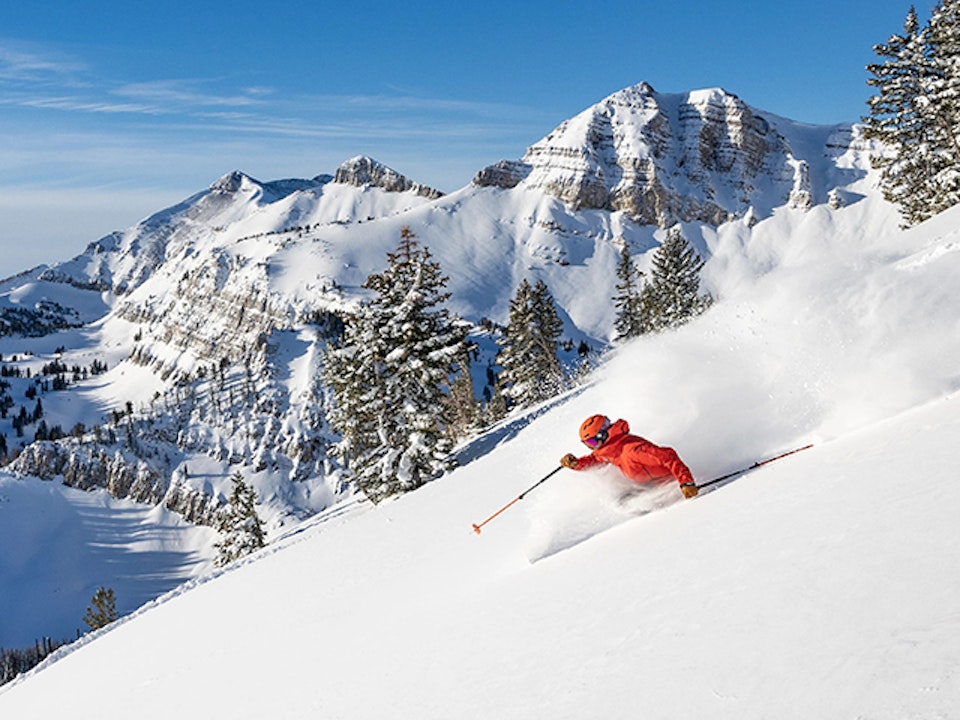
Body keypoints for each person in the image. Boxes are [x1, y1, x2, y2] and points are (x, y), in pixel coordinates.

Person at [560, 414, 699, 498]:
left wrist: (686, 482)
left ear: (602, 435)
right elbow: (594, 460)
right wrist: (576, 464)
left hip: (665, 482)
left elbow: (668, 456)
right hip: (645, 485)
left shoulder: (633, 449)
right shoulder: (608, 450)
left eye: (591, 441)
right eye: (587, 443)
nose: (591, 446)